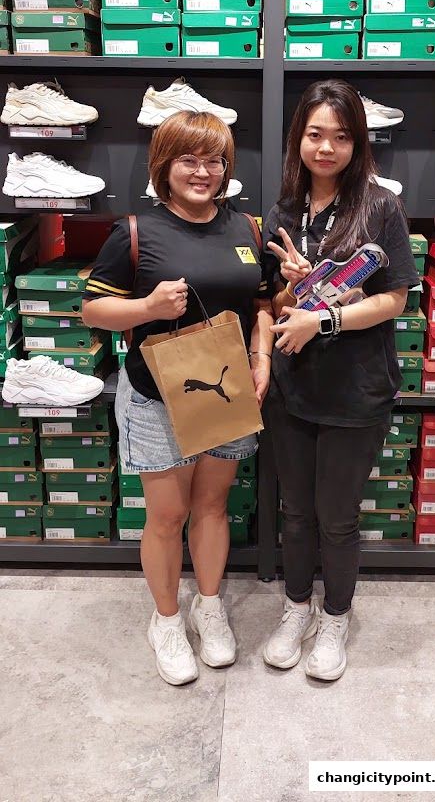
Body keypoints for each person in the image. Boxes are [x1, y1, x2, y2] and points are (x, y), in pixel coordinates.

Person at [82, 111, 273, 687]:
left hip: (225, 390)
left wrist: (261, 358)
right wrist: (145, 309)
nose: (203, 171)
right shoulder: (137, 230)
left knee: (212, 507)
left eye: (214, 160)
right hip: (156, 395)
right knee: (167, 515)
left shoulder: (247, 227)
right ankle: (166, 620)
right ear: (164, 165)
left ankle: (208, 605)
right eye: (189, 159)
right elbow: (93, 310)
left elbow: (263, 303)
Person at [261, 79, 418, 682]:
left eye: (341, 136)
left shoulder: (381, 207)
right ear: (298, 137)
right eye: (315, 134)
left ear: (358, 143)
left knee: (337, 517)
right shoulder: (282, 212)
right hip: (293, 387)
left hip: (356, 389)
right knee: (294, 512)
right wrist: (296, 287)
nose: (326, 148)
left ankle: (335, 616)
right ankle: (295, 607)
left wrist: (323, 316)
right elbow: (274, 304)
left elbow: (395, 300)